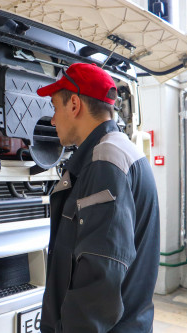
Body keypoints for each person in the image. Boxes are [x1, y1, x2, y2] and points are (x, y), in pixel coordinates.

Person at [36, 63, 160, 333]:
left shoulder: (105, 162)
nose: (53, 120)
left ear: (74, 104)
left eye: (55, 108)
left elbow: (100, 278)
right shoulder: (122, 151)